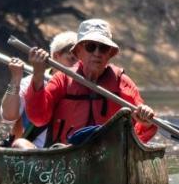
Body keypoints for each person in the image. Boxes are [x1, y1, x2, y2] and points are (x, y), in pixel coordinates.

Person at [24, 18, 157, 146]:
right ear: (79, 51)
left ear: (109, 53)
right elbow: (38, 118)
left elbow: (142, 134)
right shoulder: (62, 79)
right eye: (91, 47)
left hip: (108, 155)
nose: (97, 53)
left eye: (103, 48)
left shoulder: (122, 82)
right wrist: (38, 75)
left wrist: (147, 122)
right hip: (66, 155)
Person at [0, 31, 76, 149]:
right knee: (20, 144)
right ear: (56, 56)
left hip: (68, 150)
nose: (76, 66)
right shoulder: (29, 82)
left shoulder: (83, 85)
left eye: (79, 61)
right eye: (72, 59)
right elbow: (8, 116)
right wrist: (16, 78)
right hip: (33, 150)